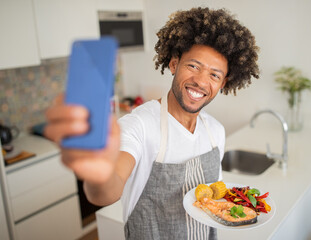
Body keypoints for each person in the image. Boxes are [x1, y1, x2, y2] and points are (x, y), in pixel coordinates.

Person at [44, 7, 259, 240]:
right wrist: (98, 171)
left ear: (223, 83)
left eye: (214, 75)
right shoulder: (139, 125)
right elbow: (106, 192)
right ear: (174, 64)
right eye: (193, 66)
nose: (200, 81)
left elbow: (213, 203)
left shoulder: (215, 131)